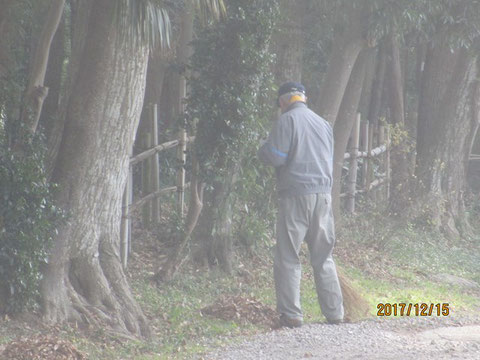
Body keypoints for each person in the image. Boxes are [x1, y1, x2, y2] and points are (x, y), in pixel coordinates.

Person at [258, 81, 344, 328]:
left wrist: (261, 149)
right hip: (324, 196)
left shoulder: (286, 121)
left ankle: (292, 314)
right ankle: (335, 313)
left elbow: (276, 156)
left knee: (288, 255)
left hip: (296, 195)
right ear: (303, 99)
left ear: (283, 101)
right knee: (324, 256)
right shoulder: (323, 124)